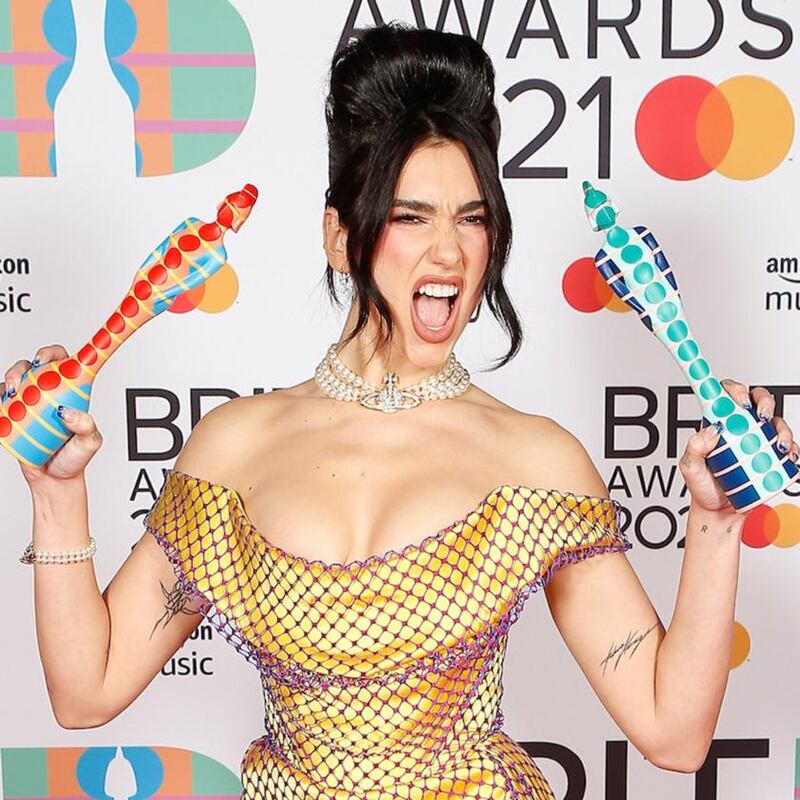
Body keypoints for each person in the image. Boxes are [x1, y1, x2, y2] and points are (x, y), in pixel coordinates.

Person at [7, 22, 798, 800]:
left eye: (473, 216)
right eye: (412, 216)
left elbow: (673, 732)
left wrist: (718, 518)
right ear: (338, 234)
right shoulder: (233, 448)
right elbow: (87, 693)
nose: (449, 253)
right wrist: (55, 491)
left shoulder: (536, 461)